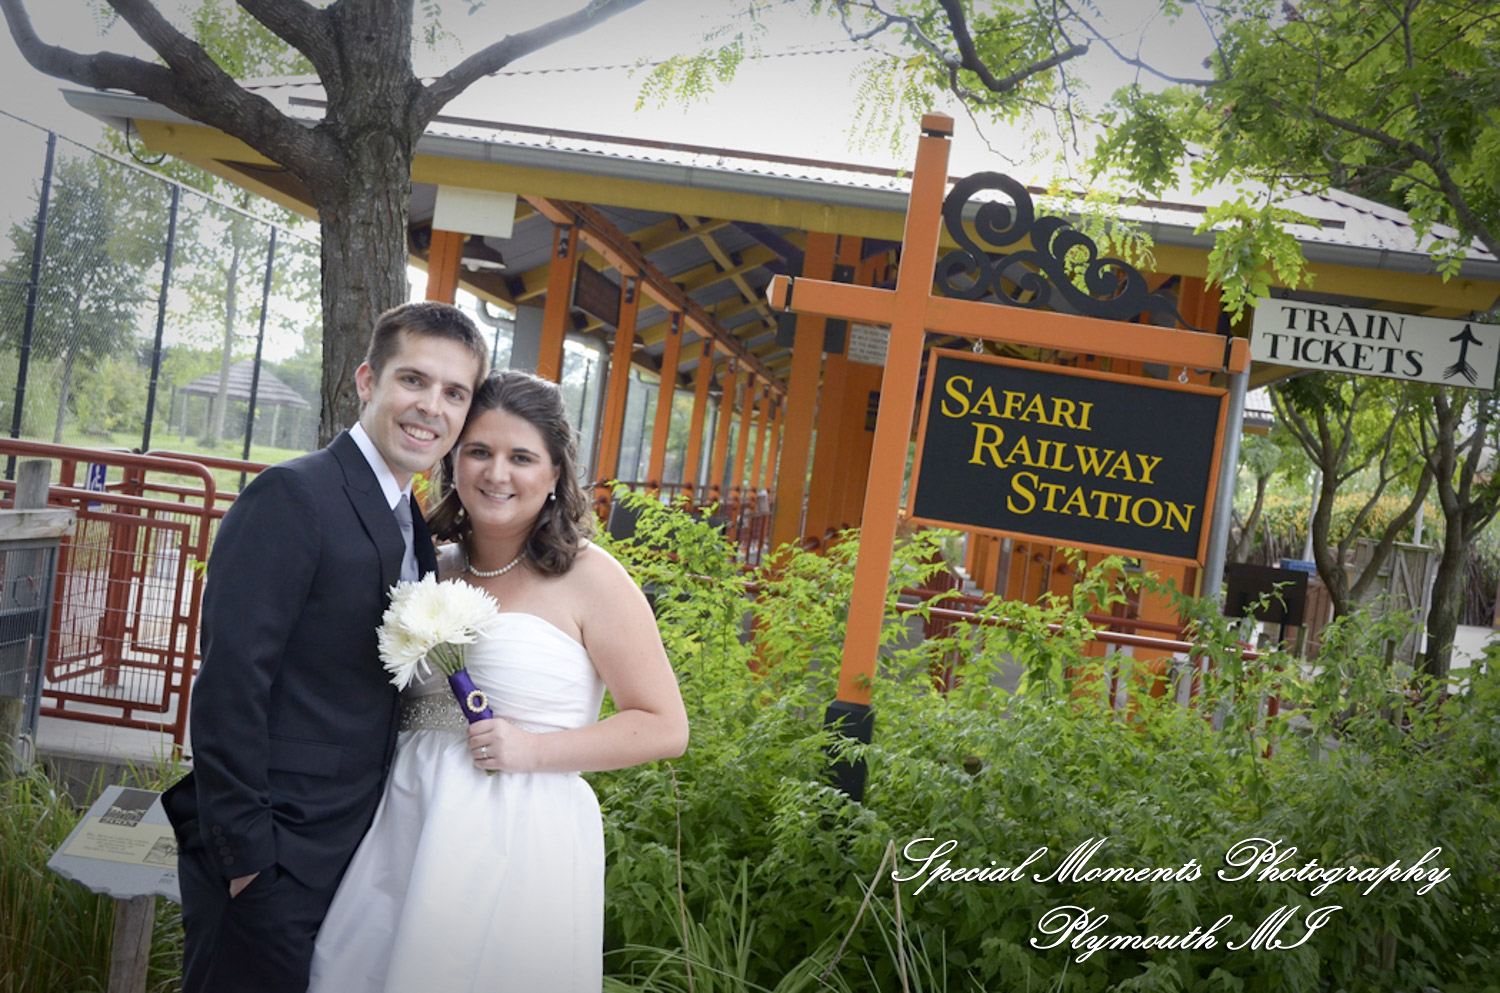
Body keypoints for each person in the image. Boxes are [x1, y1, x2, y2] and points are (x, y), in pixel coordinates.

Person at [308, 370, 689, 993]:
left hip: (519, 833)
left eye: (521, 457)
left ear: (556, 474)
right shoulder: (427, 562)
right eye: (479, 452)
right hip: (403, 820)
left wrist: (533, 750)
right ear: (452, 460)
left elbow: (665, 727)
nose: (496, 473)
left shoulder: (593, 578)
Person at [162, 302, 489, 993]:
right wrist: (249, 862)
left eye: (453, 392)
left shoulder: (412, 524)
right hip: (272, 858)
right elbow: (230, 683)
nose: (431, 406)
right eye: (414, 380)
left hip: (354, 853)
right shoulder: (294, 495)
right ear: (367, 380)